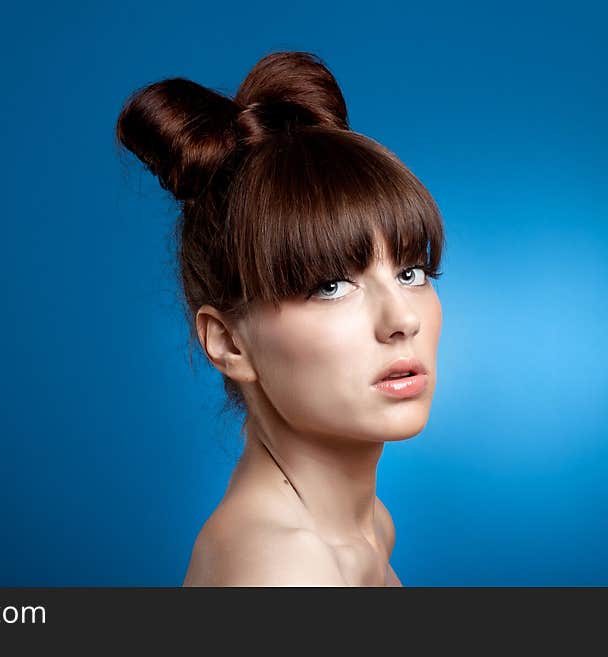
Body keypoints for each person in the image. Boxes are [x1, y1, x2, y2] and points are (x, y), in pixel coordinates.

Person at [115, 51, 444, 586]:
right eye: (331, 286)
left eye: (411, 272)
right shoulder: (282, 570)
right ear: (229, 344)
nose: (402, 318)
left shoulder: (366, 529)